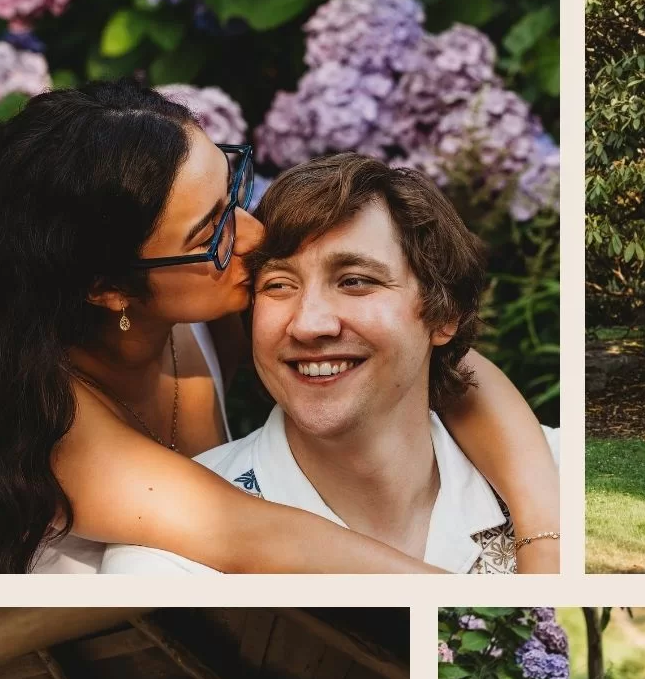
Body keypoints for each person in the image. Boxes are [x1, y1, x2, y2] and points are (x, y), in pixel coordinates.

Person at [0, 83, 557, 575]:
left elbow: (431, 356)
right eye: (212, 231)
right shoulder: (43, 414)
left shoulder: (193, 288)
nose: (253, 235)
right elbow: (252, 537)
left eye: (233, 192)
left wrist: (544, 530)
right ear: (108, 287)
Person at [100, 154, 560, 575]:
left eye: (355, 281)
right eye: (279, 285)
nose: (309, 324)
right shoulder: (169, 565)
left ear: (444, 315)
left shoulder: (561, 480)